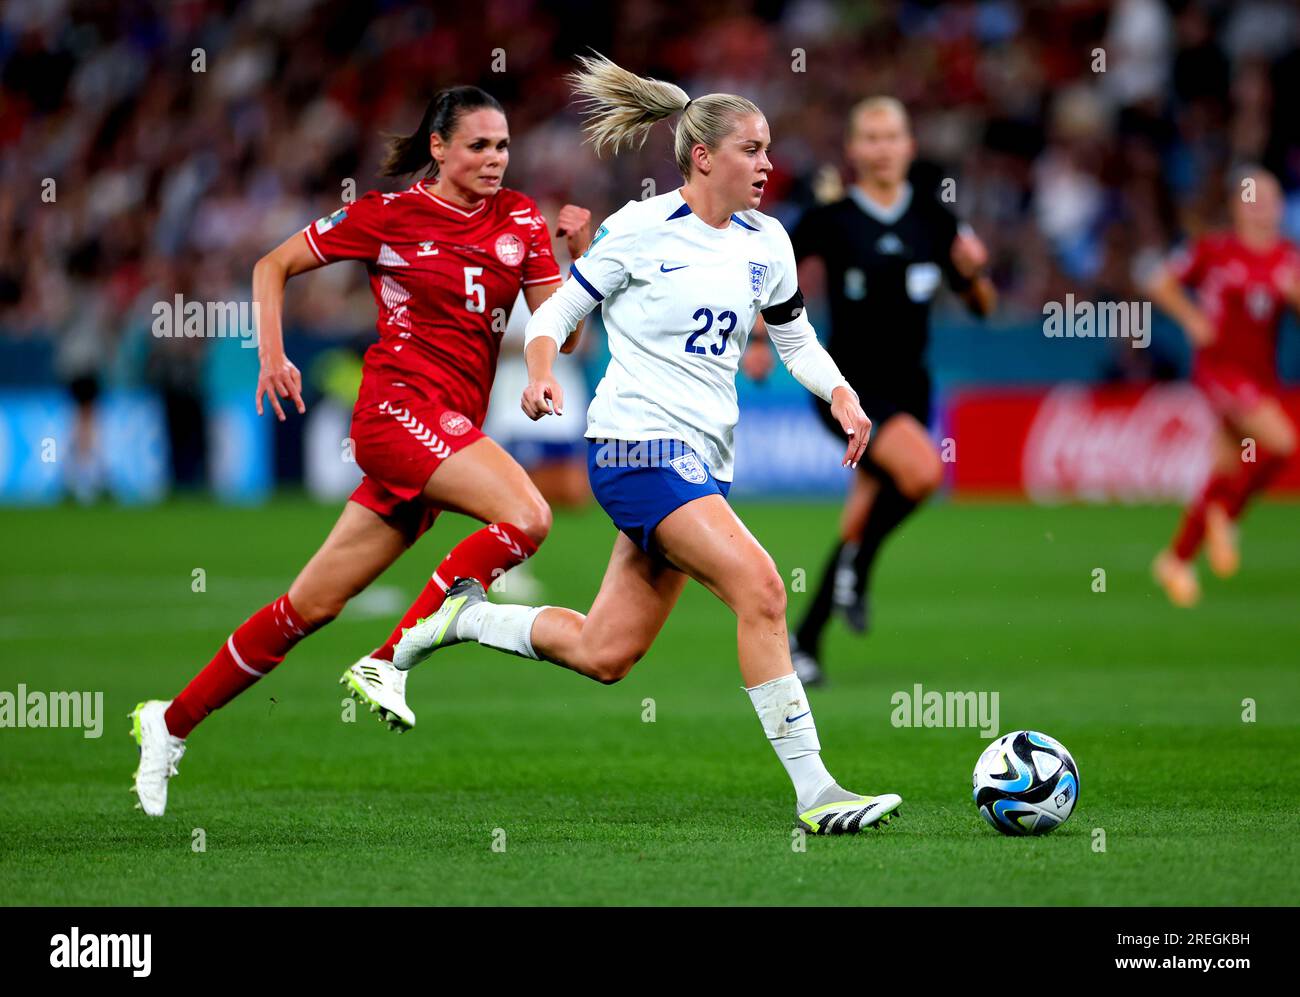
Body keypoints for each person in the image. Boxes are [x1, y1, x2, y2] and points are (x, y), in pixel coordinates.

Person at [393, 54, 902, 835]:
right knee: (762, 588)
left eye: (768, 149)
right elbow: (555, 315)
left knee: (606, 653)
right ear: (704, 158)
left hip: (704, 462)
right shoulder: (640, 229)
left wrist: (839, 391)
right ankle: (818, 792)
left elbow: (796, 340)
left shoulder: (767, 242)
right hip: (634, 450)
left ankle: (464, 617)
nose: (769, 164)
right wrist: (537, 374)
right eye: (753, 149)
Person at [129, 86, 592, 816]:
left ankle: (169, 721)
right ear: (438, 148)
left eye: (503, 145)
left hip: (444, 431)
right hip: (396, 413)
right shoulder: (387, 215)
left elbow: (563, 338)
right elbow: (270, 266)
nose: (495, 159)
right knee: (529, 516)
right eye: (478, 145)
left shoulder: (524, 220)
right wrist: (273, 356)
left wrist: (578, 259)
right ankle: (391, 657)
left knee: (307, 605)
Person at [784, 97, 995, 686]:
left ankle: (804, 643)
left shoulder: (935, 217)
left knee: (860, 517)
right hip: (847, 388)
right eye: (869, 137)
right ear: (852, 150)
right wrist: (756, 340)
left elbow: (981, 305)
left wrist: (975, 274)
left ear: (909, 145)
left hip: (911, 389)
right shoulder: (830, 217)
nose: (881, 147)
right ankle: (857, 568)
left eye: (892, 135)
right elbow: (771, 274)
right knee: (924, 473)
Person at [1147, 167, 1299, 606]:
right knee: (1283, 443)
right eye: (1254, 198)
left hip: (1261, 376)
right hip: (1220, 371)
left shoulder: (1288, 259)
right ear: (1237, 205)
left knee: (1228, 469)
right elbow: (1160, 283)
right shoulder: (1213, 251)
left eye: (1270, 199)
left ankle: (1176, 560)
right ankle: (1224, 515)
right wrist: (1192, 318)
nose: (1262, 207)